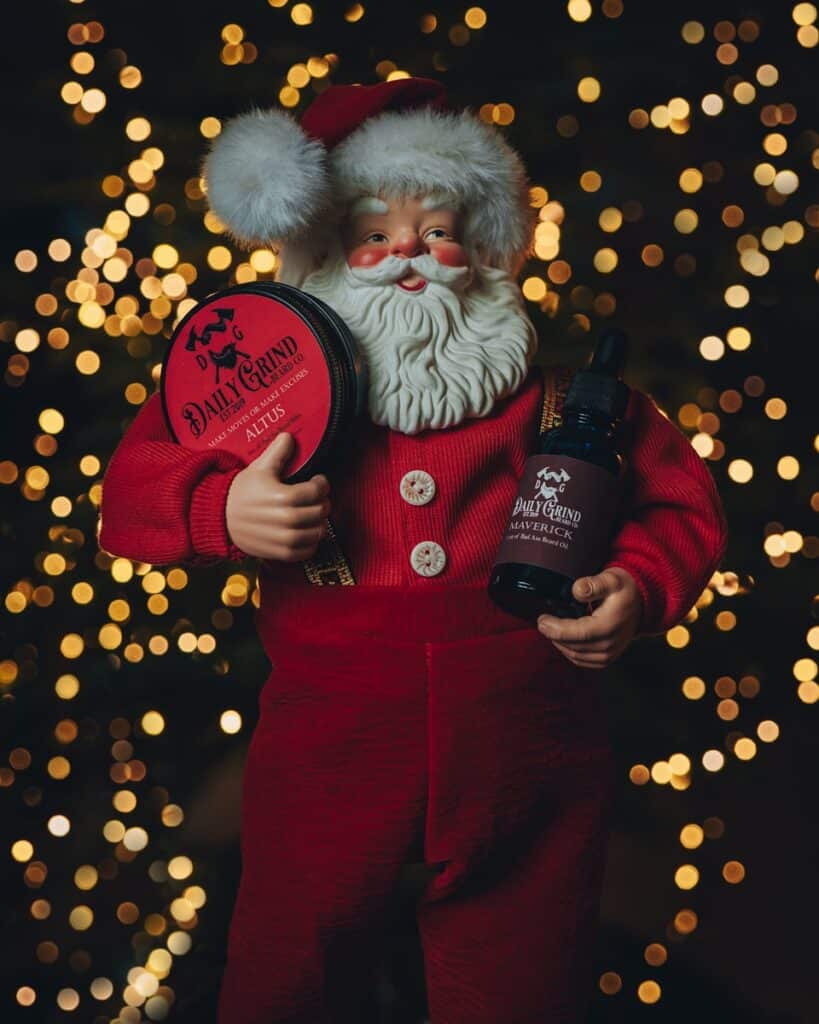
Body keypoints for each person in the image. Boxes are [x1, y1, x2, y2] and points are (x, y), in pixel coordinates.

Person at [98, 77, 728, 1024]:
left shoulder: (560, 403)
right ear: (321, 253)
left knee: (522, 968)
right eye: (372, 230)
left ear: (480, 249)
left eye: (436, 230)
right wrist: (221, 508)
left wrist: (636, 586)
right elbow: (130, 491)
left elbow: (677, 501)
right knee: (290, 964)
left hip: (527, 746)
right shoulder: (262, 387)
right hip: (329, 743)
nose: (406, 255)